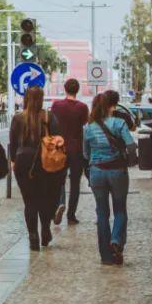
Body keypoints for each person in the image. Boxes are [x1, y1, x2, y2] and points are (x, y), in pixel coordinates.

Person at [84, 92, 136, 265]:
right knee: (120, 209)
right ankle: (116, 241)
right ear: (110, 106)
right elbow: (130, 144)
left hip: (97, 172)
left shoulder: (88, 127)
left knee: (102, 213)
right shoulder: (119, 123)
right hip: (117, 171)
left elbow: (86, 153)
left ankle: (105, 256)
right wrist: (131, 160)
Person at [9, 85, 62, 251]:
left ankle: (33, 235)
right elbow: (57, 139)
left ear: (26, 99)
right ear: (41, 99)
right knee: (45, 197)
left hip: (23, 161)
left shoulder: (18, 118)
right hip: (44, 161)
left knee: (29, 200)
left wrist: (13, 161)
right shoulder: (48, 116)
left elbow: (12, 143)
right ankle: (45, 229)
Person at [50, 78, 89, 225]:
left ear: (65, 89)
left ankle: (60, 203)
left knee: (59, 180)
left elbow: (52, 123)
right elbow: (85, 125)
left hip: (59, 148)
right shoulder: (82, 107)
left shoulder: (56, 106)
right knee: (75, 183)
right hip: (76, 150)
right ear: (77, 90)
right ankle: (71, 215)